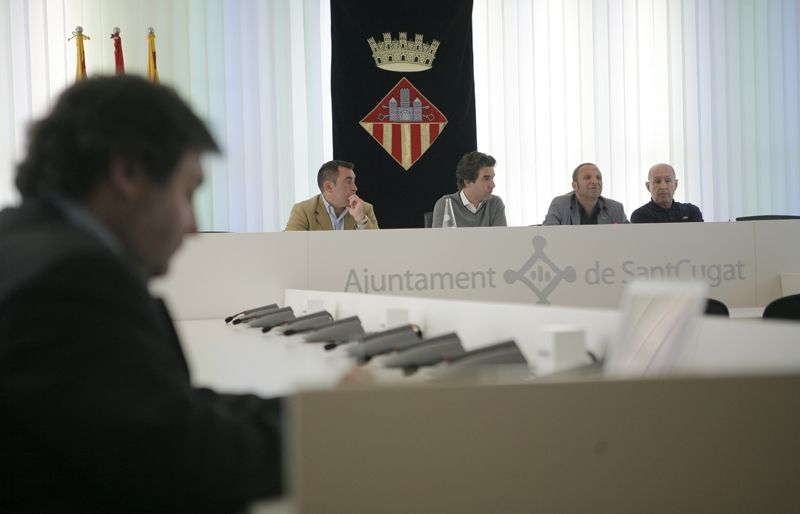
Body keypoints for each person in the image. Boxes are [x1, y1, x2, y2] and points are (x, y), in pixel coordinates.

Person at [0, 76, 282, 513]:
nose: (192, 226)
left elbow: (156, 404)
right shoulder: (70, 281)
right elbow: (188, 464)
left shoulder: (21, 240)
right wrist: (334, 432)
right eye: (187, 193)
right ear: (129, 173)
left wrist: (312, 411)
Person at [284, 160, 379, 230]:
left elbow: (378, 247)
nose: (355, 188)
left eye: (354, 182)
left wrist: (361, 219)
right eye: (349, 182)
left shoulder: (365, 209)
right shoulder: (303, 211)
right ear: (329, 187)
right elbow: (291, 246)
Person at [431, 151, 507, 227]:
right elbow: (441, 239)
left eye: (492, 178)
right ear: (468, 182)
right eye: (486, 179)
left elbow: (501, 238)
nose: (493, 185)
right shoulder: (445, 204)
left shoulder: (495, 203)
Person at [542, 162, 628, 225]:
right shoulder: (560, 205)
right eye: (587, 177)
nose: (595, 181)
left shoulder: (616, 208)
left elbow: (631, 236)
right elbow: (549, 236)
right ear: (574, 186)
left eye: (598, 178)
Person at [630, 163, 703, 223]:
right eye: (657, 181)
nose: (663, 186)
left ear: (676, 184)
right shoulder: (640, 215)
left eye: (668, 180)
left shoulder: (691, 212)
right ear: (648, 186)